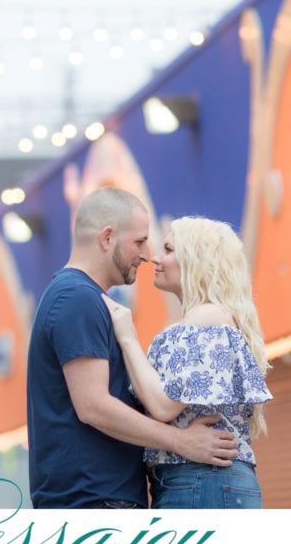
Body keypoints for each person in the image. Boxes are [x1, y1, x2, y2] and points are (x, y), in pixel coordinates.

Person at [26, 187, 240, 509]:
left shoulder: (83, 297)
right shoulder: (77, 298)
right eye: (139, 241)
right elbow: (94, 405)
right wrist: (181, 442)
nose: (147, 254)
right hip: (93, 500)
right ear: (107, 238)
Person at [101, 216, 273, 509]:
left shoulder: (207, 317)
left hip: (201, 479)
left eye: (168, 249)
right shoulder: (206, 319)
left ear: (197, 260)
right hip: (203, 480)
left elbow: (164, 406)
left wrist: (127, 337)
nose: (155, 257)